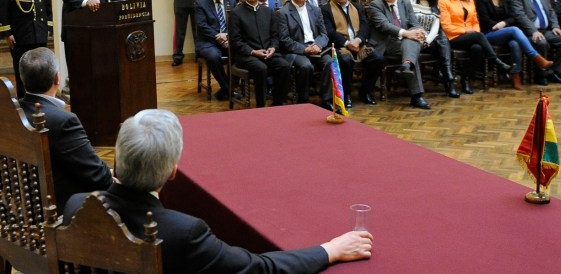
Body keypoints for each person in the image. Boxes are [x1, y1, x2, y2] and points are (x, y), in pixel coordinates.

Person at [63, 109, 374, 274]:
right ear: (173, 172)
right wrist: (330, 250)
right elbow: (261, 269)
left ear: (116, 165)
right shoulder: (183, 233)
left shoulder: (76, 206)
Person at [18, 47, 113, 210]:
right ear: (57, 78)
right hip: (63, 207)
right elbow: (99, 177)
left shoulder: (11, 113)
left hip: (25, 204)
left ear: (22, 78)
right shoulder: (63, 121)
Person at [474, 0, 553, 90]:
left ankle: (516, 76)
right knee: (514, 30)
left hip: (505, 32)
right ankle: (537, 57)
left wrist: (504, 23)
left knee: (515, 43)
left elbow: (512, 17)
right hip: (488, 34)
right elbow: (484, 20)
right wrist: (500, 25)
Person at [438, 0, 513, 94]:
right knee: (478, 37)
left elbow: (475, 22)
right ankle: (496, 62)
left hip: (470, 37)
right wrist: (468, 32)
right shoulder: (443, 1)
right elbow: (446, 27)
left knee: (477, 48)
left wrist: (474, 33)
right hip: (453, 38)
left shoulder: (470, 1)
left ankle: (466, 79)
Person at [366, 0, 431, 109]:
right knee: (412, 48)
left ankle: (407, 66)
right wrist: (408, 34)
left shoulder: (405, 2)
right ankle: (416, 96)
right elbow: (385, 26)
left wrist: (421, 33)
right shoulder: (375, 5)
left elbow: (414, 23)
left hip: (404, 42)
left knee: (411, 45)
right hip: (384, 42)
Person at [0, 0, 52, 98]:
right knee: (23, 69)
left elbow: (47, 6)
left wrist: (48, 28)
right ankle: (24, 100)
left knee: (42, 67)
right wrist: (7, 33)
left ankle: (42, 97)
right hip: (20, 36)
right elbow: (2, 10)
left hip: (40, 33)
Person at [321, 0, 384, 106]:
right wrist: (347, 43)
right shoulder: (325, 9)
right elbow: (329, 31)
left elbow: (365, 25)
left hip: (359, 44)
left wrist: (358, 40)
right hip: (339, 46)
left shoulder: (357, 7)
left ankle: (366, 91)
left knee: (377, 59)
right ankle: (346, 94)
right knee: (345, 61)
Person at [229, 0, 290, 108]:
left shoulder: (269, 12)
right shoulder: (236, 13)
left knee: (284, 65)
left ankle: (278, 103)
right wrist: (253, 52)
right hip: (247, 55)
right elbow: (235, 41)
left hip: (268, 53)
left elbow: (275, 35)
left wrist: (273, 48)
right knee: (261, 68)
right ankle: (261, 106)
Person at [278, 0, 333, 110]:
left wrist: (318, 45)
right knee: (306, 66)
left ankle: (327, 100)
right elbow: (284, 40)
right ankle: (304, 99)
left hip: (316, 47)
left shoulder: (315, 10)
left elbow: (324, 34)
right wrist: (305, 49)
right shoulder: (283, 13)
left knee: (330, 62)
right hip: (296, 50)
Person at [409, 0, 460, 98]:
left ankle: (447, 77)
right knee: (443, 44)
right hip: (413, 40)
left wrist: (426, 41)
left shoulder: (435, 7)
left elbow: (434, 28)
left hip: (428, 42)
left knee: (441, 38)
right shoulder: (409, 3)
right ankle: (449, 80)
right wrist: (421, 39)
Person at [194, 0, 235, 100]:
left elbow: (235, 23)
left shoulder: (231, 1)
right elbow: (202, 26)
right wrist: (219, 36)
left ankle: (228, 88)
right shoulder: (200, 3)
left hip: (228, 40)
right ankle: (228, 88)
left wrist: (227, 36)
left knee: (242, 52)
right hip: (207, 41)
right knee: (213, 56)